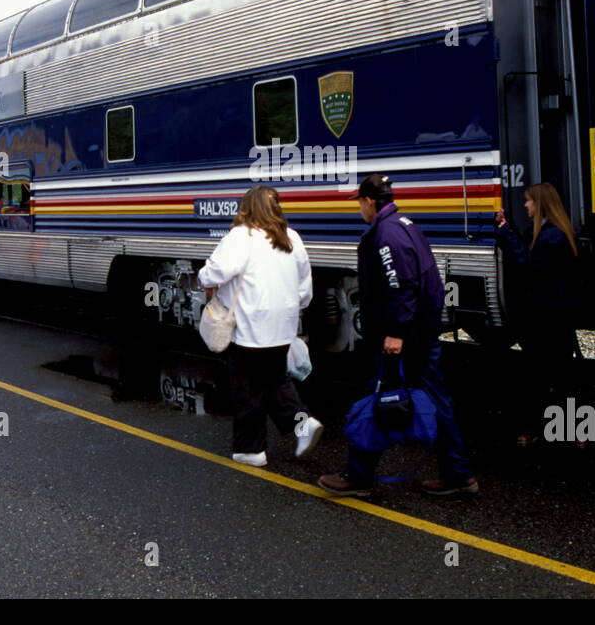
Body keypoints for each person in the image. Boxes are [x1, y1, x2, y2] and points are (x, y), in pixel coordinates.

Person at [319, 174, 478, 498]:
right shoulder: (405, 224)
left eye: (360, 203)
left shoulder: (387, 234)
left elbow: (400, 286)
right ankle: (459, 474)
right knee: (437, 401)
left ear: (369, 202)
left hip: (403, 337)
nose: (360, 210)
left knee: (376, 398)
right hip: (421, 333)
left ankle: (357, 474)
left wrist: (395, 334)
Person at [198, 185, 323, 467]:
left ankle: (250, 450)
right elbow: (305, 290)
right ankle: (304, 424)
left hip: (250, 328)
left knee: (247, 389)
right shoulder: (291, 238)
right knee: (274, 380)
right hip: (282, 329)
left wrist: (203, 278)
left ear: (247, 207)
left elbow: (216, 271)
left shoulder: (242, 236)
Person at [495, 183, 579, 445]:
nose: (526, 205)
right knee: (561, 373)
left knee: (538, 375)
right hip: (558, 315)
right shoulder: (557, 233)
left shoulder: (548, 238)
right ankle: (573, 432)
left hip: (545, 317)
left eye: (529, 201)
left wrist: (506, 232)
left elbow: (528, 265)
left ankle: (535, 429)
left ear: (540, 204)